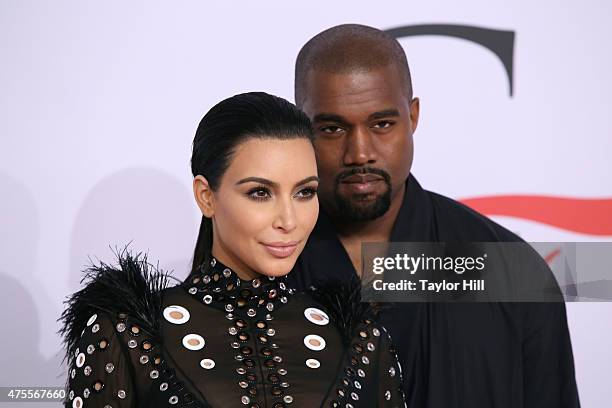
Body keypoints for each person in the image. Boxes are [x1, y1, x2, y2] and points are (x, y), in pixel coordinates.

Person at [288, 24, 581, 408]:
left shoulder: (511, 271)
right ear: (299, 129)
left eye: (382, 124)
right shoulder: (258, 267)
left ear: (413, 117)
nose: (359, 152)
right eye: (332, 128)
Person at [59, 92, 406, 408]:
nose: (289, 220)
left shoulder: (361, 339)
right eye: (260, 192)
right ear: (206, 196)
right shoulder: (127, 335)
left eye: (304, 192)